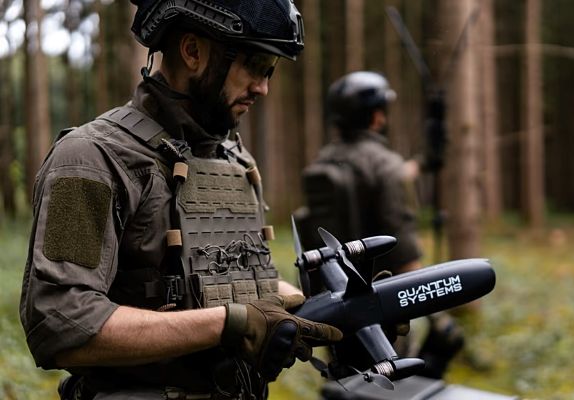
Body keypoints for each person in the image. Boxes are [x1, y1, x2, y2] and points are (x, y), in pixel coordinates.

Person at [19, 1, 342, 399]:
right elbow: (60, 322)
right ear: (192, 51)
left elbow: (239, 287)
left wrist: (338, 310)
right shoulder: (91, 158)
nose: (263, 87)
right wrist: (230, 324)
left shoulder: (234, 160)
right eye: (255, 65)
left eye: (270, 70)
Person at [296, 71, 463, 380]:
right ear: (377, 116)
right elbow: (404, 253)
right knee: (391, 384)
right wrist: (437, 316)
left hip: (334, 304)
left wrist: (421, 163)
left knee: (349, 383)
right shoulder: (386, 165)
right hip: (383, 309)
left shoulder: (324, 161)